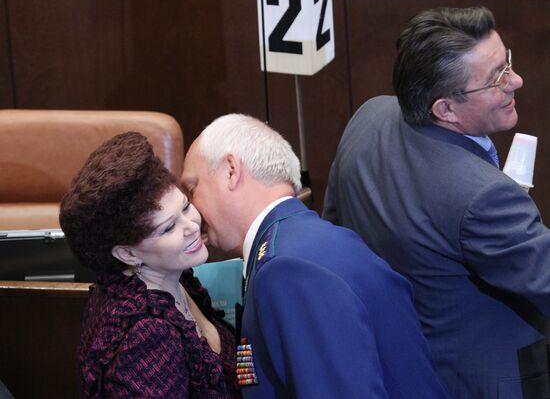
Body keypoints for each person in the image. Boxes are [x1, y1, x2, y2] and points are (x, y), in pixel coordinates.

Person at [323, 6, 550, 399]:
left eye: (506, 62)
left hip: (398, 367)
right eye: (497, 78)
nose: (516, 79)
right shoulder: (483, 197)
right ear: (444, 109)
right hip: (482, 382)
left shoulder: (369, 117)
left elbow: (336, 226)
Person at [181, 113, 449, 399]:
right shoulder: (312, 243)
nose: (192, 212)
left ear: (231, 171)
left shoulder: (287, 269)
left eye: (191, 189)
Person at [59, 132, 240, 398]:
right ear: (128, 254)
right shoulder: (147, 334)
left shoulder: (173, 278)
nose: (191, 226)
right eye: (168, 228)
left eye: (186, 207)